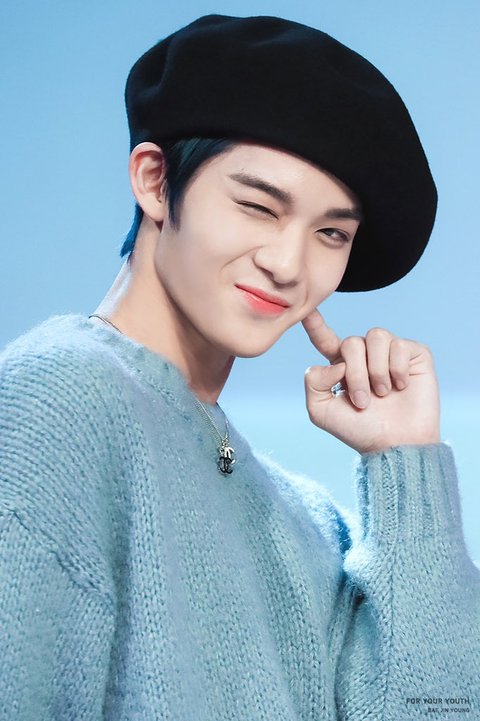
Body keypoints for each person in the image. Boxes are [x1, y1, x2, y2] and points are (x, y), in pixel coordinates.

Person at [0, 13, 478, 721]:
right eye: (258, 206)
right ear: (155, 181)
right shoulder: (59, 399)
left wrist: (406, 465)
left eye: (331, 233)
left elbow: (439, 708)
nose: (288, 264)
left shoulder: (310, 524)